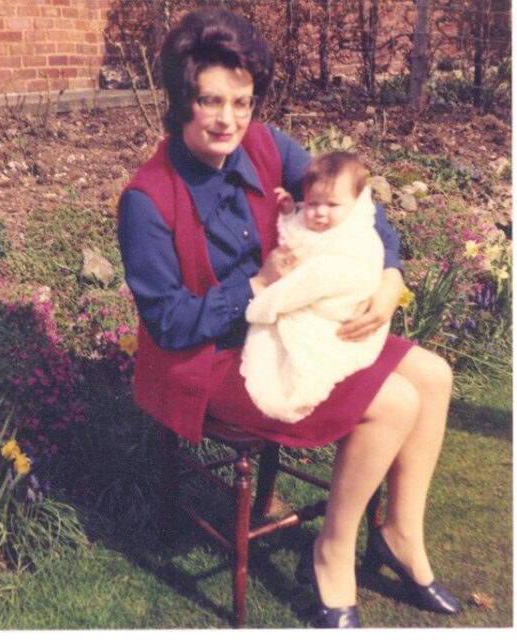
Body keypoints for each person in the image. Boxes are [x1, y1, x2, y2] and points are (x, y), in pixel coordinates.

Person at [118, 8, 461, 628]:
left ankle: (399, 536)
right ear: (180, 101)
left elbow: (359, 209)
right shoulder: (147, 198)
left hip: (291, 325)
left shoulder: (267, 145)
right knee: (396, 402)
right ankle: (333, 553)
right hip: (211, 357)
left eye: (242, 101)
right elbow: (168, 324)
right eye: (211, 101)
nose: (229, 119)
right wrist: (253, 284)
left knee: (433, 376)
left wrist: (390, 279)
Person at [241, 152, 390, 424]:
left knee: (304, 360)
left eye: (332, 205)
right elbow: (296, 239)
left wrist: (261, 306)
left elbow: (315, 279)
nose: (319, 212)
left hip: (338, 316)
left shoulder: (355, 239)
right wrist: (288, 213)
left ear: (355, 205)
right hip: (309, 303)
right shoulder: (314, 224)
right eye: (312, 203)